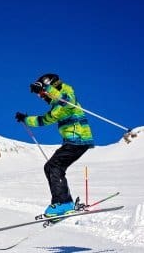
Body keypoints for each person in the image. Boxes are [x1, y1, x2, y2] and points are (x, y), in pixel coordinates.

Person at [15, 73, 94, 217]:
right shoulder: (55, 106)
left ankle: (63, 203)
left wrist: (46, 88)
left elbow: (66, 101)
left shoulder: (67, 93)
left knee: (54, 166)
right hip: (74, 141)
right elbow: (45, 119)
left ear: (50, 85)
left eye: (41, 93)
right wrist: (26, 119)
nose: (40, 96)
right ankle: (65, 203)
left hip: (78, 139)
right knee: (50, 167)